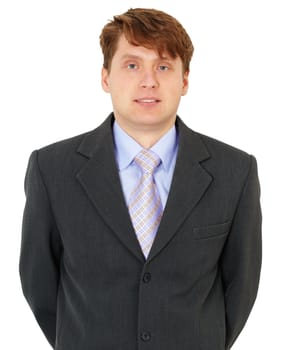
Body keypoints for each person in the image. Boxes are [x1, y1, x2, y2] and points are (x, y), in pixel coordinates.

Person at [19, 8, 262, 350]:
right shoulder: (51, 168)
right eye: (132, 65)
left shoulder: (234, 171)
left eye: (163, 66)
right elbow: (39, 284)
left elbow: (241, 286)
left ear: (185, 80)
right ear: (106, 77)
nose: (149, 80)